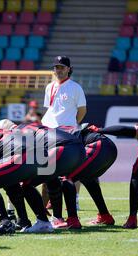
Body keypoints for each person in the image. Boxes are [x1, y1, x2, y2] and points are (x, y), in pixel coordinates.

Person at [42, 55, 88, 214]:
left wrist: (72, 124)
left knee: (72, 169)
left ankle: (73, 201)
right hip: (50, 130)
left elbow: (82, 110)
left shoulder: (75, 87)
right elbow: (50, 109)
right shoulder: (49, 87)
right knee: (47, 167)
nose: (58, 70)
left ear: (69, 69)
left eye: (62, 67)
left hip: (67, 131)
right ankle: (47, 202)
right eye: (56, 67)